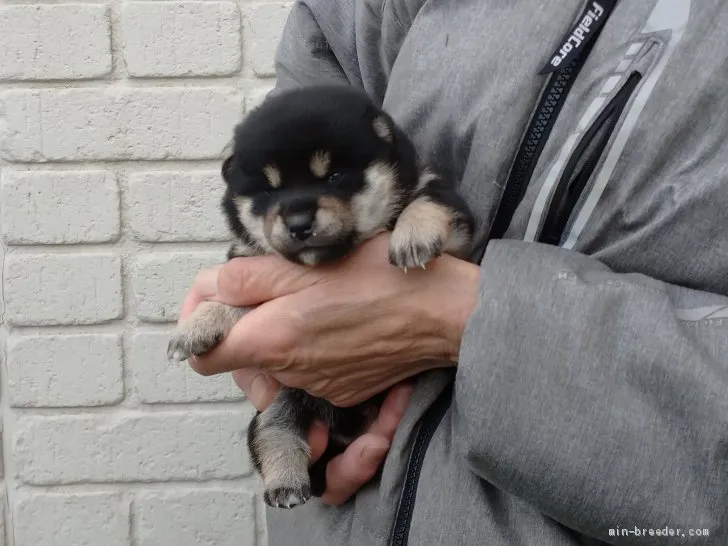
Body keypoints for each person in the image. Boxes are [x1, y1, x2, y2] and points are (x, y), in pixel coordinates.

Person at [179, 0, 728, 544]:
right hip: (347, 517)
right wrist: (273, 334)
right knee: (280, 424)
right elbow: (294, 124)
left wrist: (463, 319)